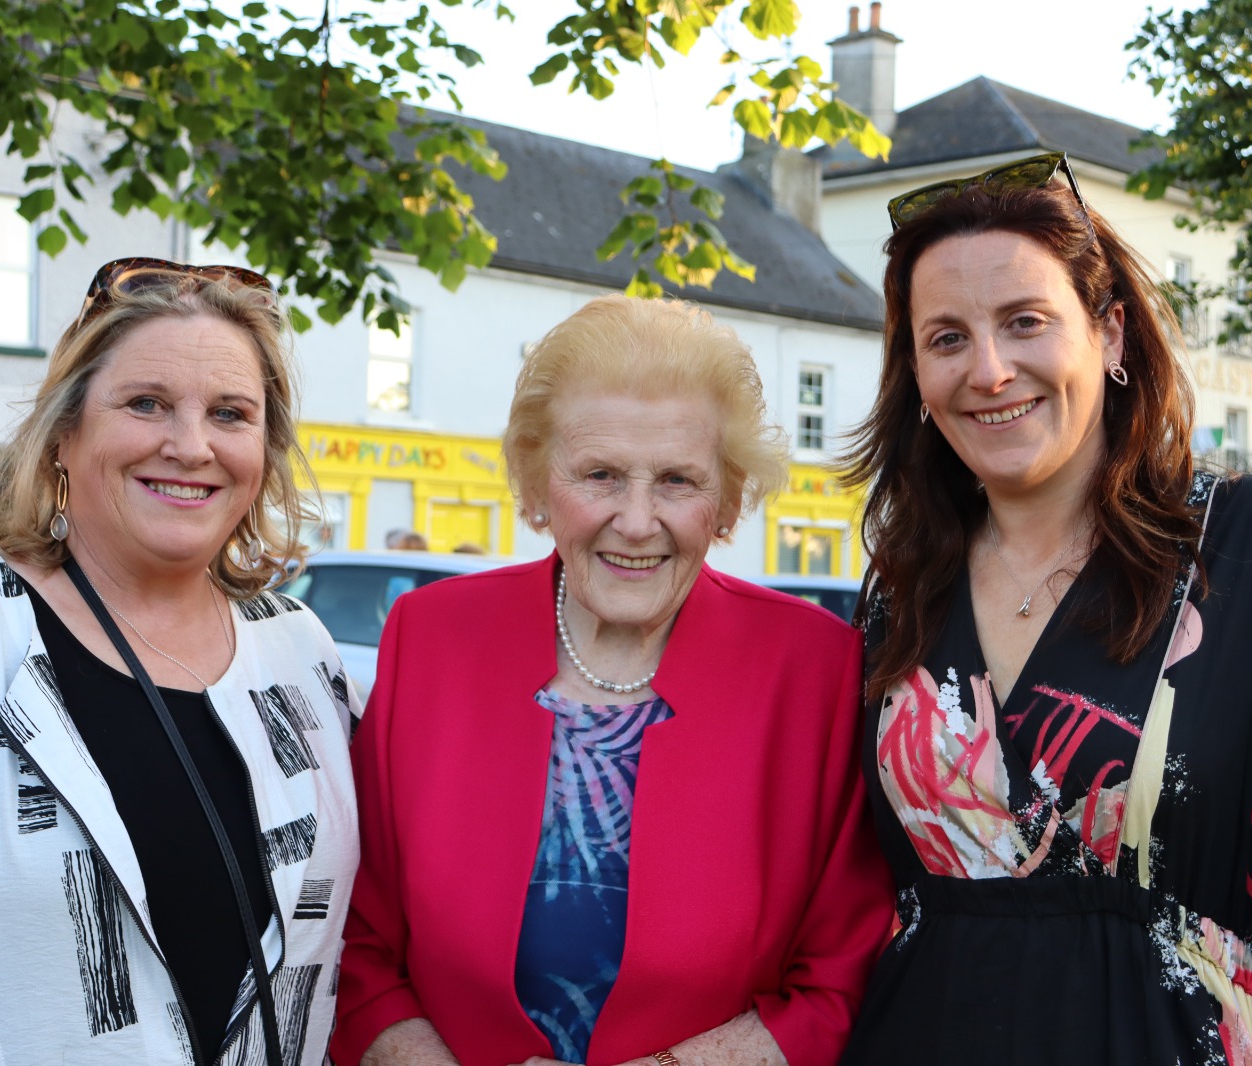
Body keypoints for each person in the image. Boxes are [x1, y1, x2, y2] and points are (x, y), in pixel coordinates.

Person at [837, 153, 1252, 1065]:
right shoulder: (902, 589)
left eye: (1025, 322)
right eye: (946, 338)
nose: (990, 369)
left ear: (1112, 336)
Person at [0, 257, 360, 1065]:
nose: (190, 445)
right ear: (64, 433)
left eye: (230, 413)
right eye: (146, 404)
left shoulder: (299, 653)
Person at [333, 294, 893, 1066]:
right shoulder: (430, 638)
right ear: (538, 484)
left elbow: (841, 978)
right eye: (599, 475)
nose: (635, 521)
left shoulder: (816, 671)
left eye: (676, 481)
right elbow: (355, 940)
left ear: (726, 501)